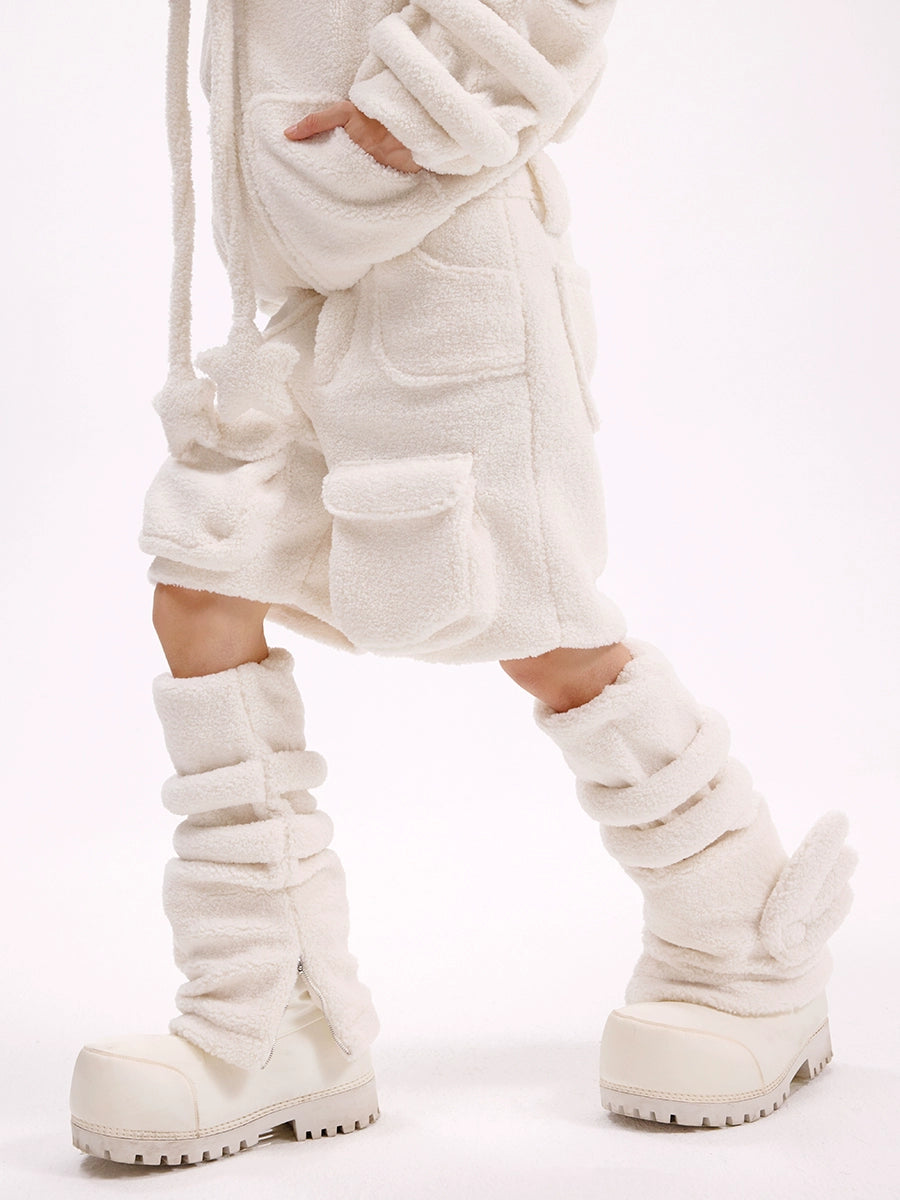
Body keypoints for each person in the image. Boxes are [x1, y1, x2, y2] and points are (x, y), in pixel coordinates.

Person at [69, 0, 857, 1165]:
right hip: (287, 281)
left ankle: (744, 942)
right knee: (202, 580)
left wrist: (416, 110)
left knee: (532, 624)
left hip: (446, 267)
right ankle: (271, 1008)